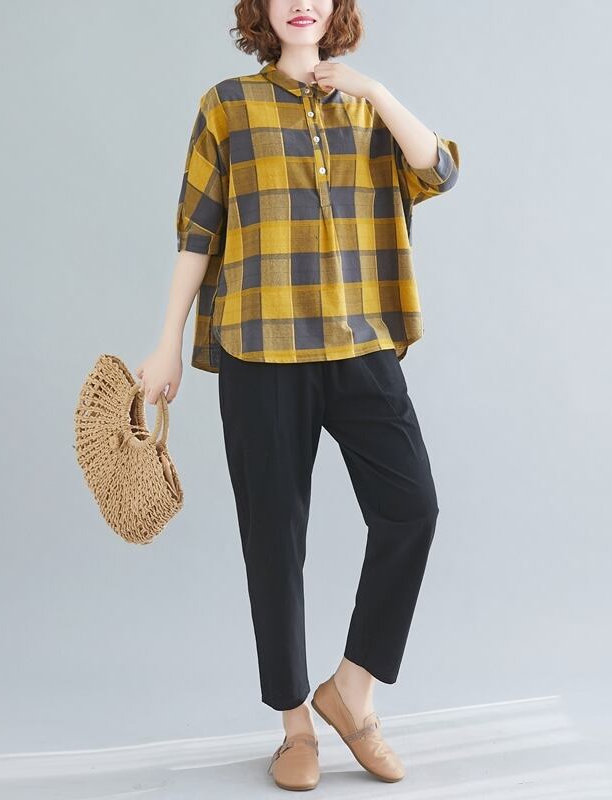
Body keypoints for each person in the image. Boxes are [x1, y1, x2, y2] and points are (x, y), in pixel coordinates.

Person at [137, 0, 459, 790]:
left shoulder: (367, 106)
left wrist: (373, 90)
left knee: (412, 509)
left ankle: (352, 693)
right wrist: (167, 341)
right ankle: (293, 728)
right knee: (274, 540)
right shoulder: (228, 106)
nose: (301, 3)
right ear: (261, 10)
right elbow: (197, 231)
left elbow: (439, 170)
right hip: (261, 347)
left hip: (361, 344)